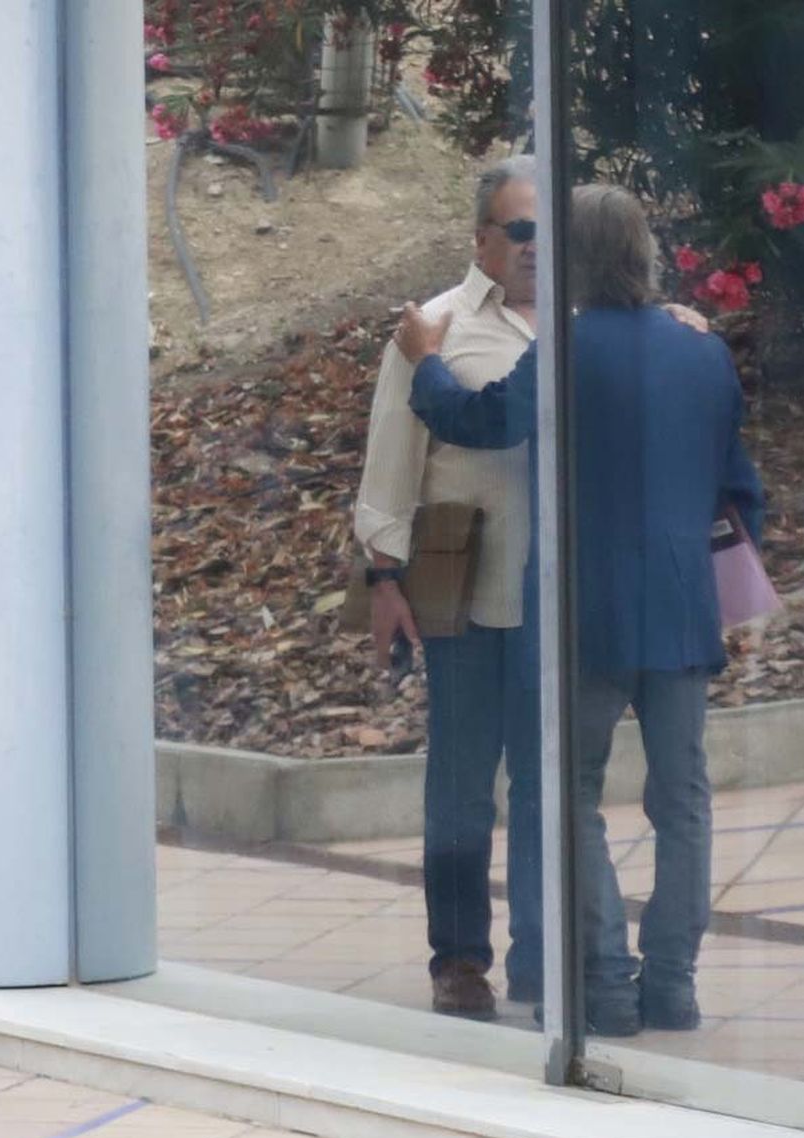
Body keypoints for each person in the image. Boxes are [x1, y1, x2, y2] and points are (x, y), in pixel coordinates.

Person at [393, 183, 765, 1035]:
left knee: (571, 795)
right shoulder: (701, 350)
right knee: (684, 801)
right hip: (679, 609)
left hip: (583, 610)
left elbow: (479, 422)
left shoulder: (566, 346)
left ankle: (603, 981)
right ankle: (672, 984)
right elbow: (740, 485)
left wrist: (423, 360)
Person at [353, 155, 543, 1020]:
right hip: (465, 592)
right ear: (483, 238)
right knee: (464, 785)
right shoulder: (430, 328)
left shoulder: (585, 323)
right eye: (521, 229)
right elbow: (391, 463)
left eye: (551, 230)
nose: (538, 247)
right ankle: (459, 961)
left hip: (556, 599)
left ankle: (543, 956)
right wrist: (382, 577)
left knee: (549, 785)